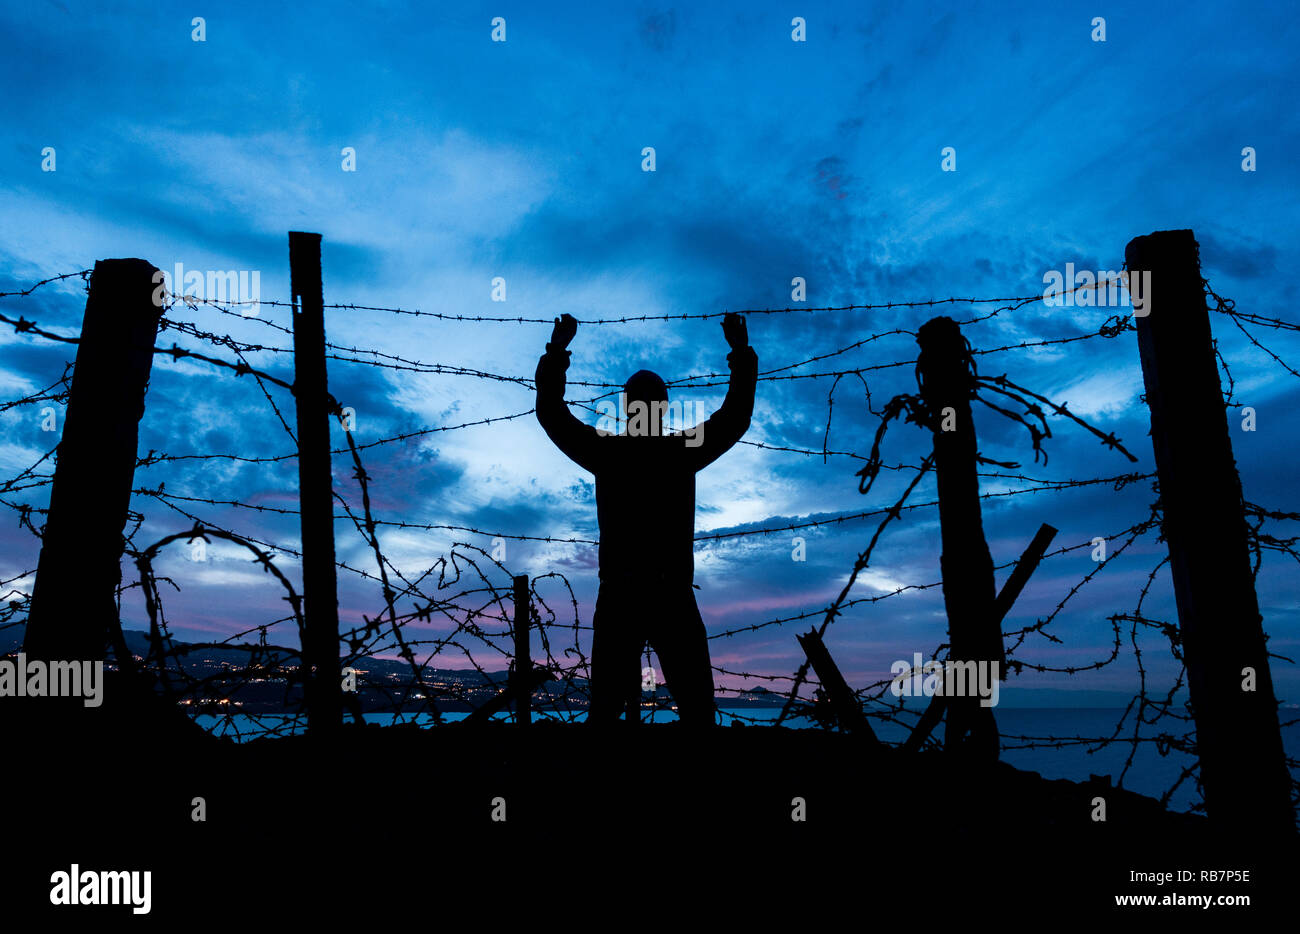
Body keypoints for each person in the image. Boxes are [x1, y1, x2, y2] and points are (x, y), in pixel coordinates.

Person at [535, 312, 758, 726]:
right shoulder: (682, 451)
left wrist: (559, 349)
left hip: (620, 591)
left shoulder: (608, 452)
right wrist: (740, 352)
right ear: (666, 406)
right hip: (671, 591)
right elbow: (735, 416)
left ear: (626, 407)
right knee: (697, 710)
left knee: (604, 710)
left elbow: (551, 413)